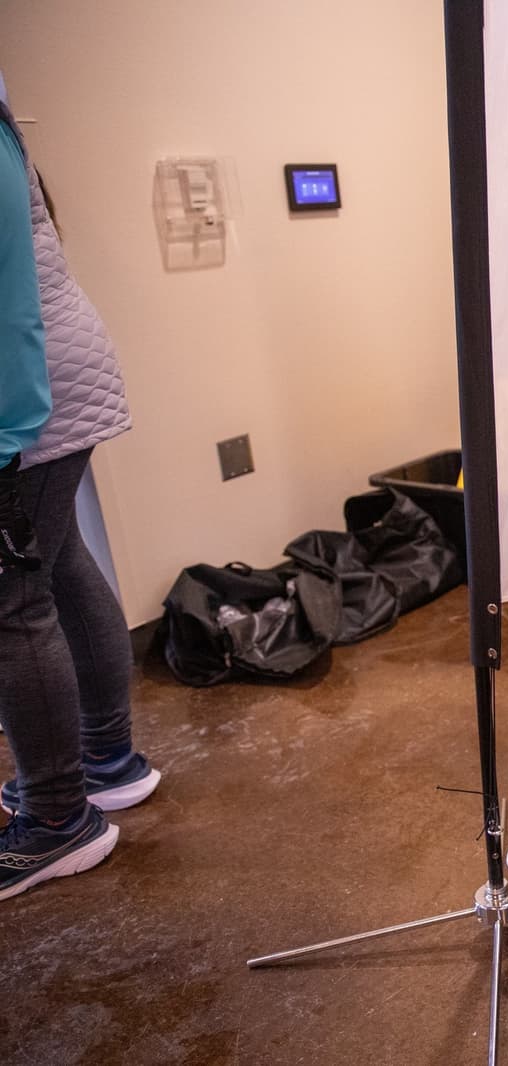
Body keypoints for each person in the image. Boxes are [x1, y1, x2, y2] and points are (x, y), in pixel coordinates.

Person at [0, 88, 160, 903]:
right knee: (57, 569)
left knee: (13, 604)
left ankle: (58, 816)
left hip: (22, 392)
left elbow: (9, 304)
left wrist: (6, 433)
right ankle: (104, 762)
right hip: (46, 378)